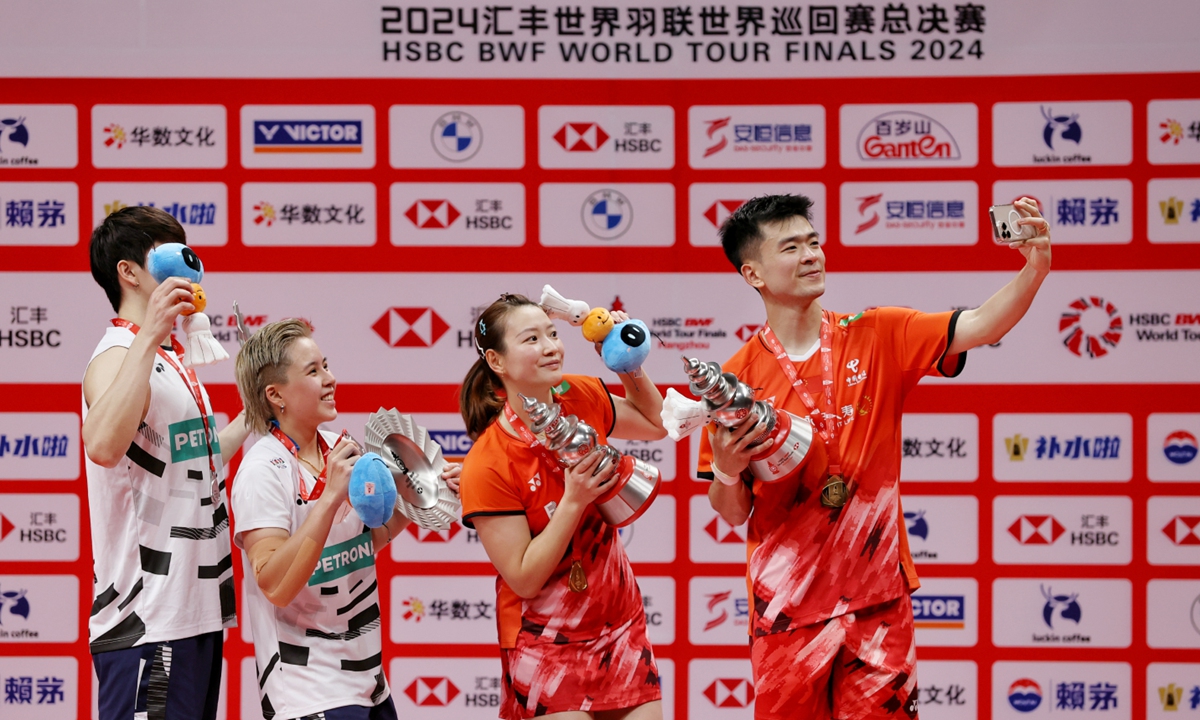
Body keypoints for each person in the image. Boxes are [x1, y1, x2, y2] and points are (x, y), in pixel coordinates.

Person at [699, 194, 1052, 719]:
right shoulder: (734, 382)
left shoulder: (879, 331)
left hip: (879, 602)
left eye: (813, 242)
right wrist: (727, 468)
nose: (811, 255)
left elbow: (981, 325)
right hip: (787, 610)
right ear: (753, 273)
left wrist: (1036, 267)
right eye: (791, 247)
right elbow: (731, 511)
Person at [232, 318, 461, 720]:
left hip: (369, 681)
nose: (330, 378)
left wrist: (422, 493)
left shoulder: (342, 447)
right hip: (307, 690)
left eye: (327, 365)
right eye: (313, 371)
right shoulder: (262, 469)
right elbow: (274, 584)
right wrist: (329, 497)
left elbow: (366, 542)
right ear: (276, 395)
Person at [458, 294, 667, 720]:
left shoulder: (581, 393)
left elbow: (655, 424)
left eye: (552, 333)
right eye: (532, 339)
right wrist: (574, 500)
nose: (551, 346)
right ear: (497, 361)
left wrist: (628, 365)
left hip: (620, 624)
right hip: (545, 641)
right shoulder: (487, 462)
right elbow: (524, 577)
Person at [82, 206, 249, 720]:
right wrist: (150, 332)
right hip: (145, 618)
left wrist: (253, 416)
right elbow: (104, 446)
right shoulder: (116, 352)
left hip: (193, 609)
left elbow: (192, 462)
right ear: (129, 272)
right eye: (167, 252)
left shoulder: (170, 358)